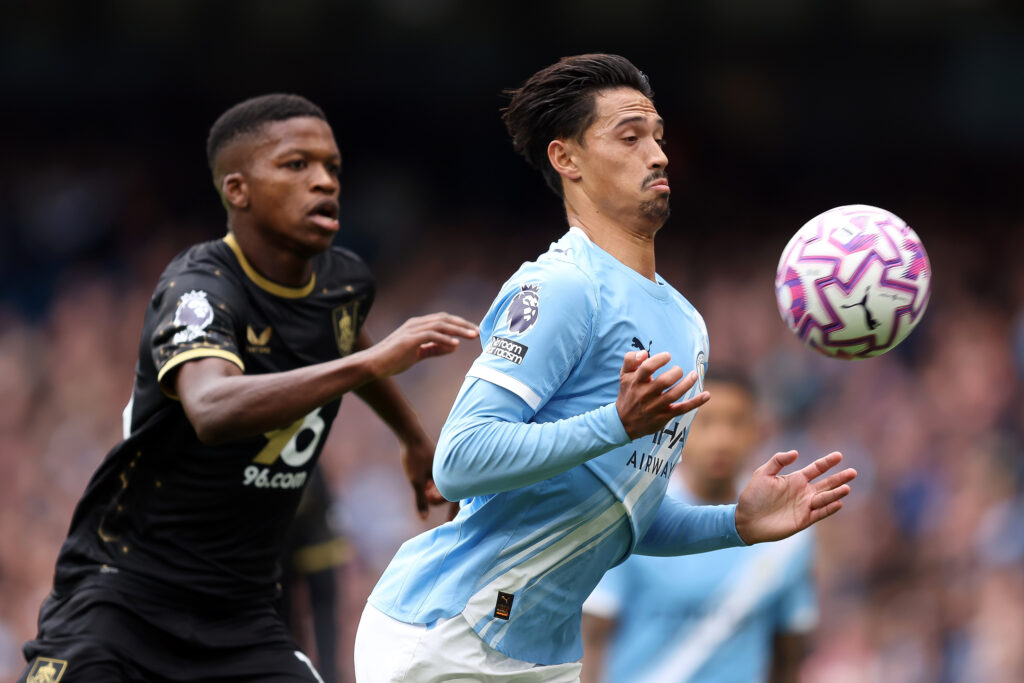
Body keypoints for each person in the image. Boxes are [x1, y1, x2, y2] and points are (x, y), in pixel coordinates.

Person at [353, 54, 856, 682]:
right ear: (567, 160)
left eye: (658, 137)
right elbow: (458, 462)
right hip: (449, 632)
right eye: (630, 137)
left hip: (543, 658)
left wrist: (735, 525)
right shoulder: (565, 285)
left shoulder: (686, 323)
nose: (659, 154)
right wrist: (614, 423)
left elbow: (626, 511)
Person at [19, 93, 479, 683]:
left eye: (331, 167)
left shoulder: (342, 282)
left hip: (242, 619)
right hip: (123, 602)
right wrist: (370, 366)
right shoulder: (199, 290)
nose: (323, 182)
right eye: (296, 165)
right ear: (238, 190)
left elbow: (345, 334)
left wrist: (413, 441)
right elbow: (211, 407)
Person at [581, 369, 818, 683]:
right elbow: (593, 637)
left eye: (736, 423)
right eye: (706, 423)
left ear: (758, 432)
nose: (722, 439)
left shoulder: (785, 534)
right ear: (679, 430)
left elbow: (788, 654)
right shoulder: (635, 513)